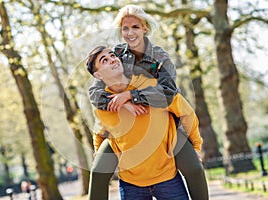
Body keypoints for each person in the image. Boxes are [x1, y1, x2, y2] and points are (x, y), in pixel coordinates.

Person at [88, 4, 208, 200]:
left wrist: (131, 96)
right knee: (99, 170)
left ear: (144, 28)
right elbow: (95, 91)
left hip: (162, 120)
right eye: (125, 28)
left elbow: (169, 92)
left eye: (135, 27)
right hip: (123, 125)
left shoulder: (160, 58)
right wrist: (121, 103)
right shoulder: (116, 54)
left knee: (194, 167)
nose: (130, 33)